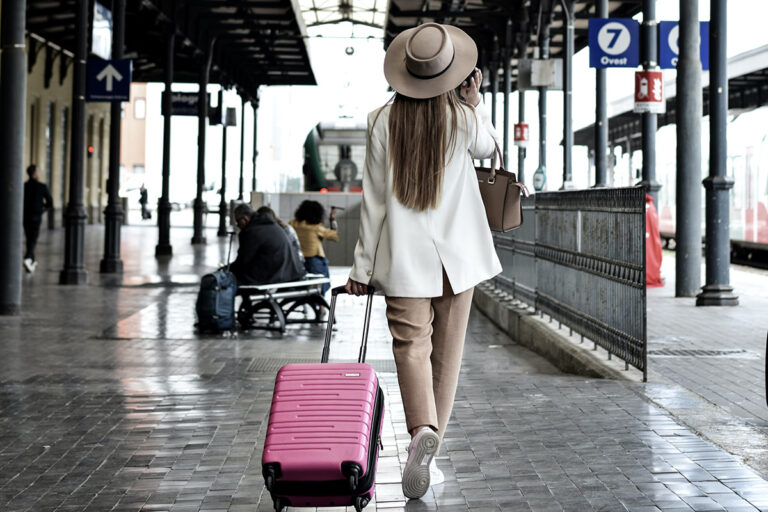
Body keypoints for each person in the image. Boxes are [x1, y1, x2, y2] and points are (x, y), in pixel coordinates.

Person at [345, 23, 501, 499]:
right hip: (461, 260)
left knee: (411, 347)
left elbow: (373, 203)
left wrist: (361, 269)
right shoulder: (463, 119)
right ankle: (431, 445)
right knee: (446, 358)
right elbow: (491, 149)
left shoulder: (379, 120)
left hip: (404, 262)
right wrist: (474, 101)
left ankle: (421, 430)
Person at [230, 204, 305, 286]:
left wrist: (227, 269)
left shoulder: (251, 231)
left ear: (245, 219)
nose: (238, 225)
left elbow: (243, 261)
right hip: (291, 273)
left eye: (238, 222)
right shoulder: (274, 225)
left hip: (274, 277)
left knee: (231, 280)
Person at [290, 200, 339, 295]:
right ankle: (319, 303)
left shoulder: (293, 224)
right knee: (319, 288)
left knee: (302, 287)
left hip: (297, 261)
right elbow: (334, 236)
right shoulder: (317, 228)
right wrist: (332, 218)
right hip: (315, 261)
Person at [23, 165, 53, 273]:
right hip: (36, 216)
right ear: (35, 173)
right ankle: (27, 258)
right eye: (37, 171)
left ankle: (31, 261)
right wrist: (42, 208)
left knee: (29, 238)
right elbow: (50, 202)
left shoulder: (24, 186)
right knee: (33, 239)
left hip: (25, 216)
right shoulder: (41, 186)